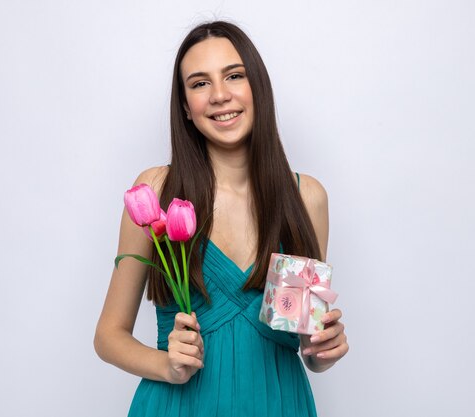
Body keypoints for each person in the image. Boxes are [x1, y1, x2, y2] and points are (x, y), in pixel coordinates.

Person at [94, 20, 349, 416]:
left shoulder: (305, 197)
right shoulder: (156, 192)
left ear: (257, 89)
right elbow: (108, 336)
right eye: (199, 84)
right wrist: (167, 365)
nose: (219, 95)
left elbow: (305, 343)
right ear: (186, 107)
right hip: (179, 405)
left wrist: (322, 351)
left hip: (278, 404)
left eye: (234, 76)